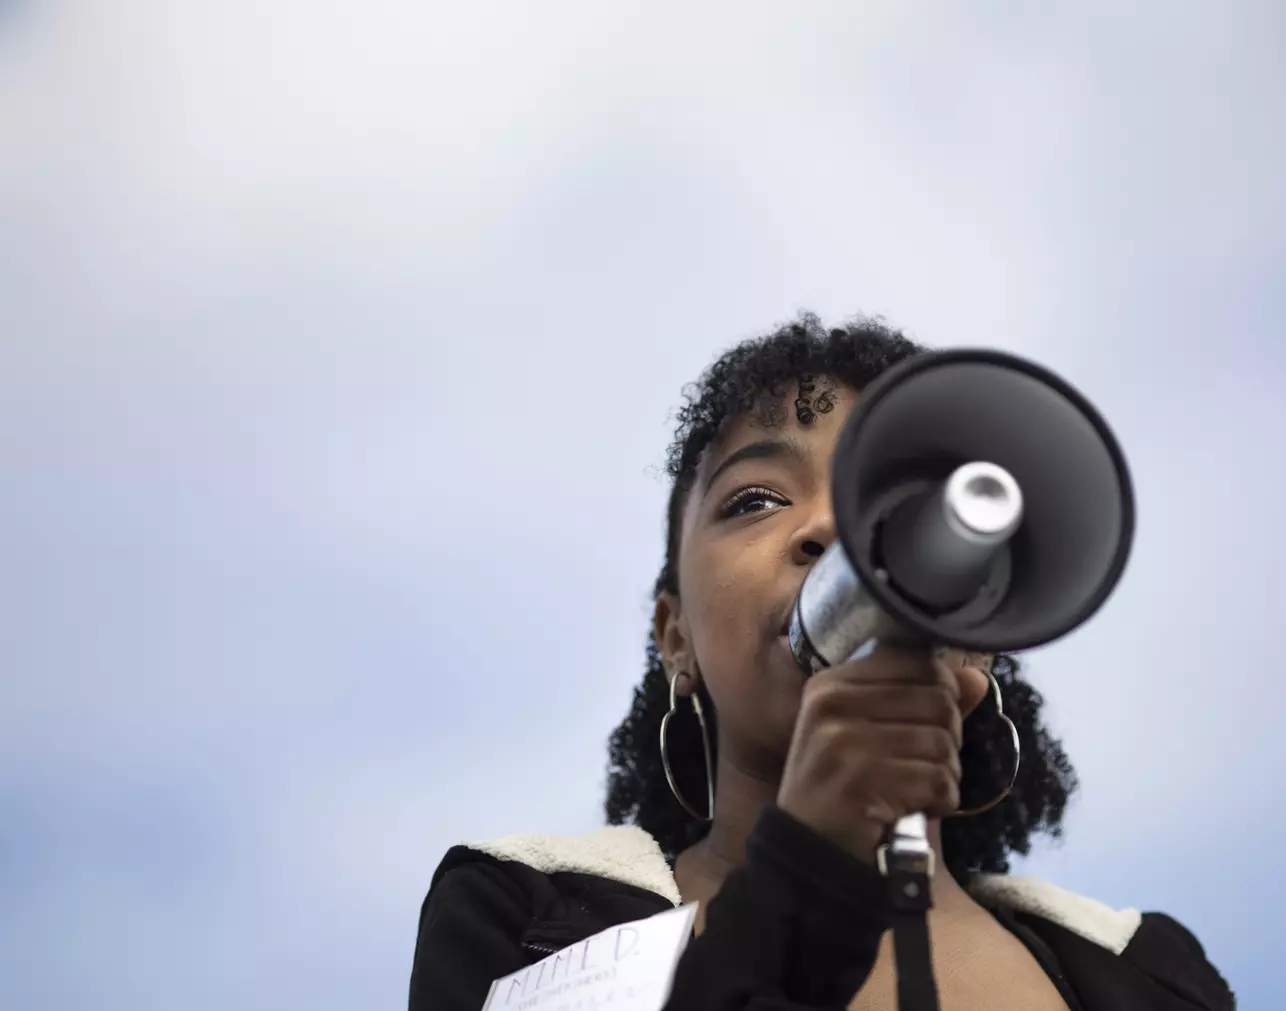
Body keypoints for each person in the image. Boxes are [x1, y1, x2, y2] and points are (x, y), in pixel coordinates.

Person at [409, 315, 1235, 1011]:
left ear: (982, 624)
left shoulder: (1144, 970)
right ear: (676, 637)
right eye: (756, 500)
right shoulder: (526, 909)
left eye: (892, 502)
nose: (829, 530)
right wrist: (807, 867)